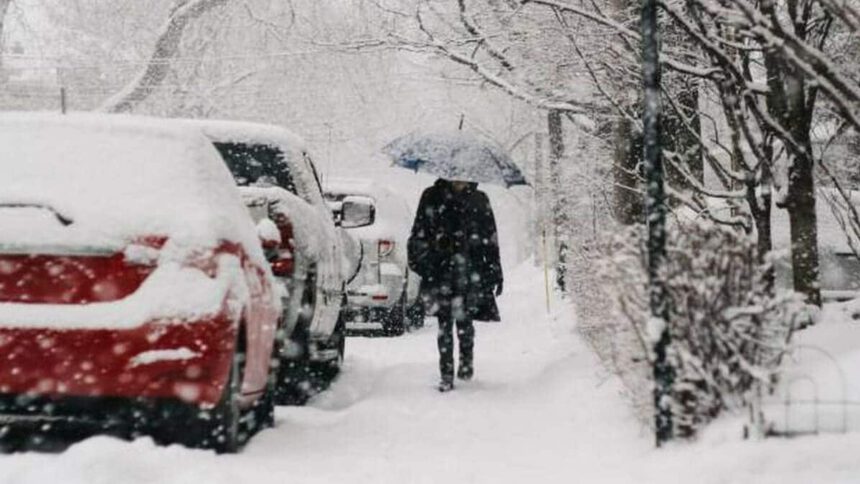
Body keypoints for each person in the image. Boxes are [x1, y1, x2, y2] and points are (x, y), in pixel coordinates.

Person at [407, 178, 503, 392]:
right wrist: (425, 259)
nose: (459, 182)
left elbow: (490, 238)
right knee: (444, 323)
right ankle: (446, 373)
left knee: (465, 320)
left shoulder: (479, 200)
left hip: (469, 271)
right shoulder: (432, 196)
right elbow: (419, 232)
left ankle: (466, 361)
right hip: (440, 270)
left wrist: (495, 271)